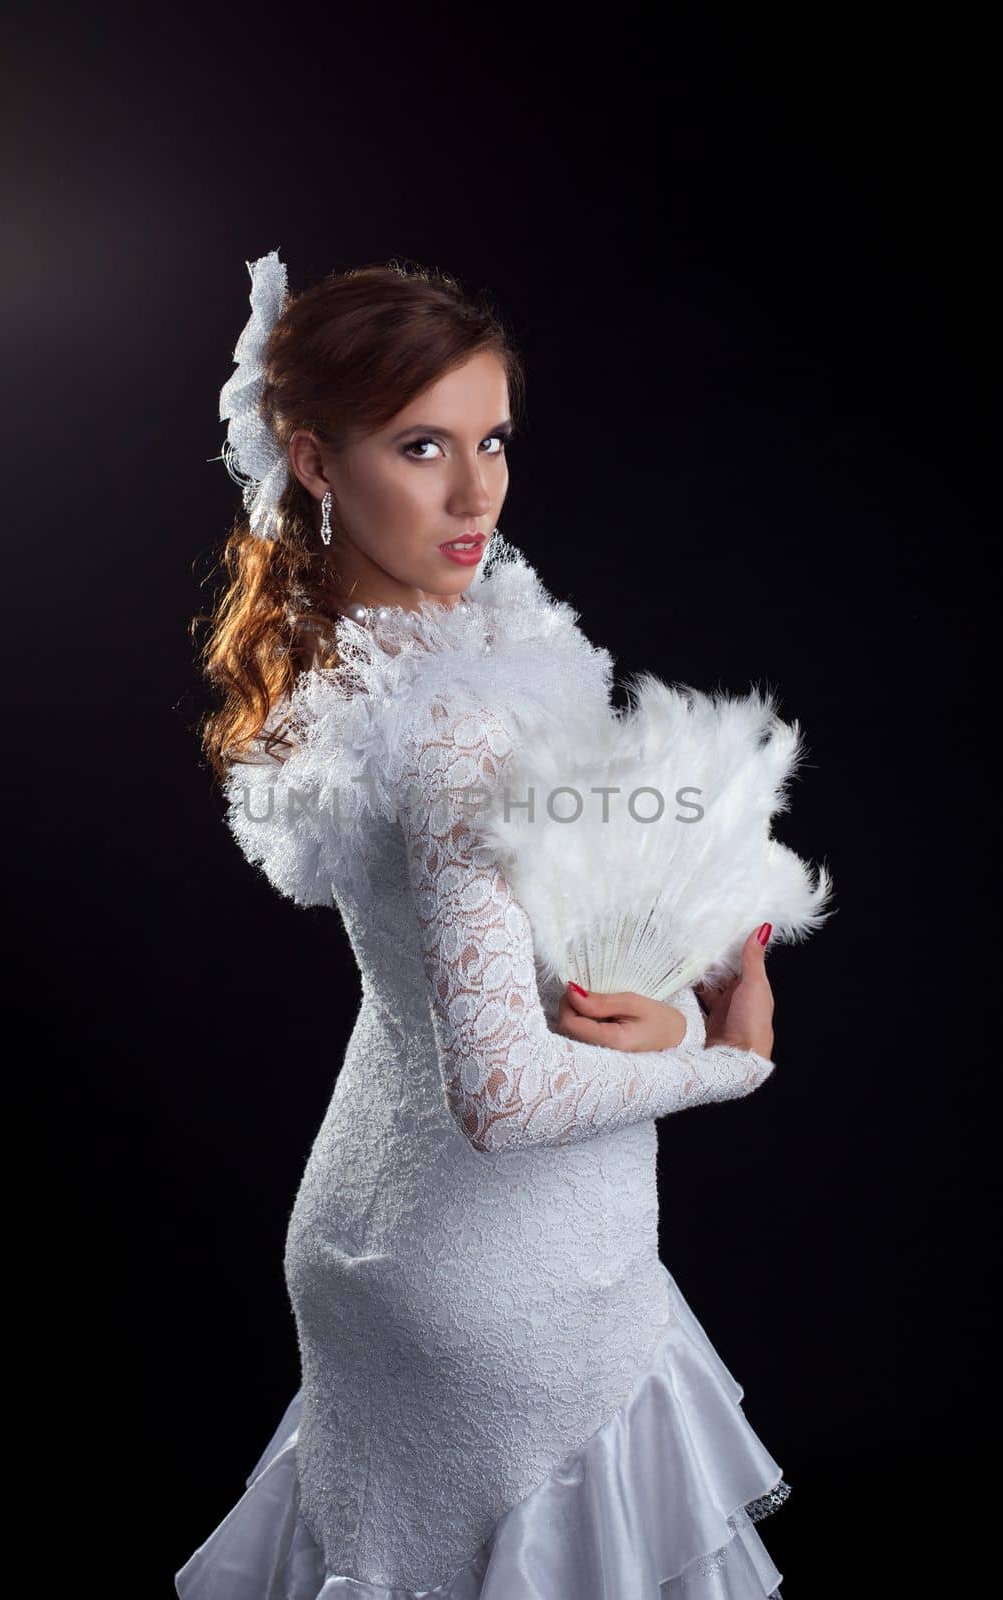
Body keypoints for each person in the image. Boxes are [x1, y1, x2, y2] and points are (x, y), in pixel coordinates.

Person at [176, 251, 790, 1598]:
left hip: (387, 1235)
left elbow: (499, 963)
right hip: (502, 1279)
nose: (475, 493)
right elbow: (504, 1095)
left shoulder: (398, 663)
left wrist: (671, 971)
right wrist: (718, 1056)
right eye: (420, 446)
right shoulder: (451, 723)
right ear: (315, 462)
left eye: (490, 441)